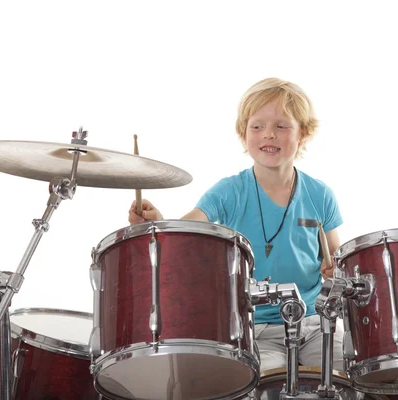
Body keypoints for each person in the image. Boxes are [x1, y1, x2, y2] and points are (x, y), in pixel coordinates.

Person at [128, 77, 345, 373]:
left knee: (342, 373)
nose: (269, 134)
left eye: (281, 126)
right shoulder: (229, 191)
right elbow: (189, 228)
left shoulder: (320, 195)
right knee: (262, 379)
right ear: (243, 135)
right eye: (257, 127)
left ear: (303, 134)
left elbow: (335, 257)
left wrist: (334, 268)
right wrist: (160, 223)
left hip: (314, 324)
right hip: (256, 328)